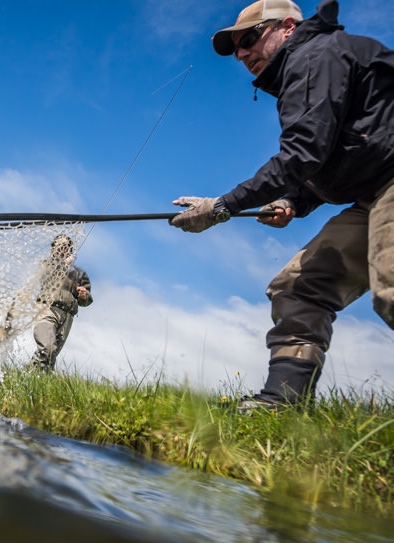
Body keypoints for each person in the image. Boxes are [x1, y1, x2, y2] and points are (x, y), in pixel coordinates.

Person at [169, 0, 394, 412]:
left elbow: (302, 153)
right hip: (374, 194)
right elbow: (335, 152)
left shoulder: (316, 56)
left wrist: (221, 206)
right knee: (298, 286)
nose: (242, 54)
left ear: (288, 27)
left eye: (250, 39)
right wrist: (293, 201)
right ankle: (283, 404)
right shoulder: (308, 66)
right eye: (237, 48)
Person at [30, 235, 93, 370]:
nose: (61, 250)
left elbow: (87, 300)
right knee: (47, 347)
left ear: (70, 249)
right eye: (58, 247)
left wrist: (84, 295)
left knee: (52, 355)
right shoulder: (45, 264)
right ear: (53, 249)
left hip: (67, 316)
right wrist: (64, 264)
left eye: (65, 247)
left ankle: (39, 379)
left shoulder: (79, 273)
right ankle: (30, 374)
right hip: (48, 309)